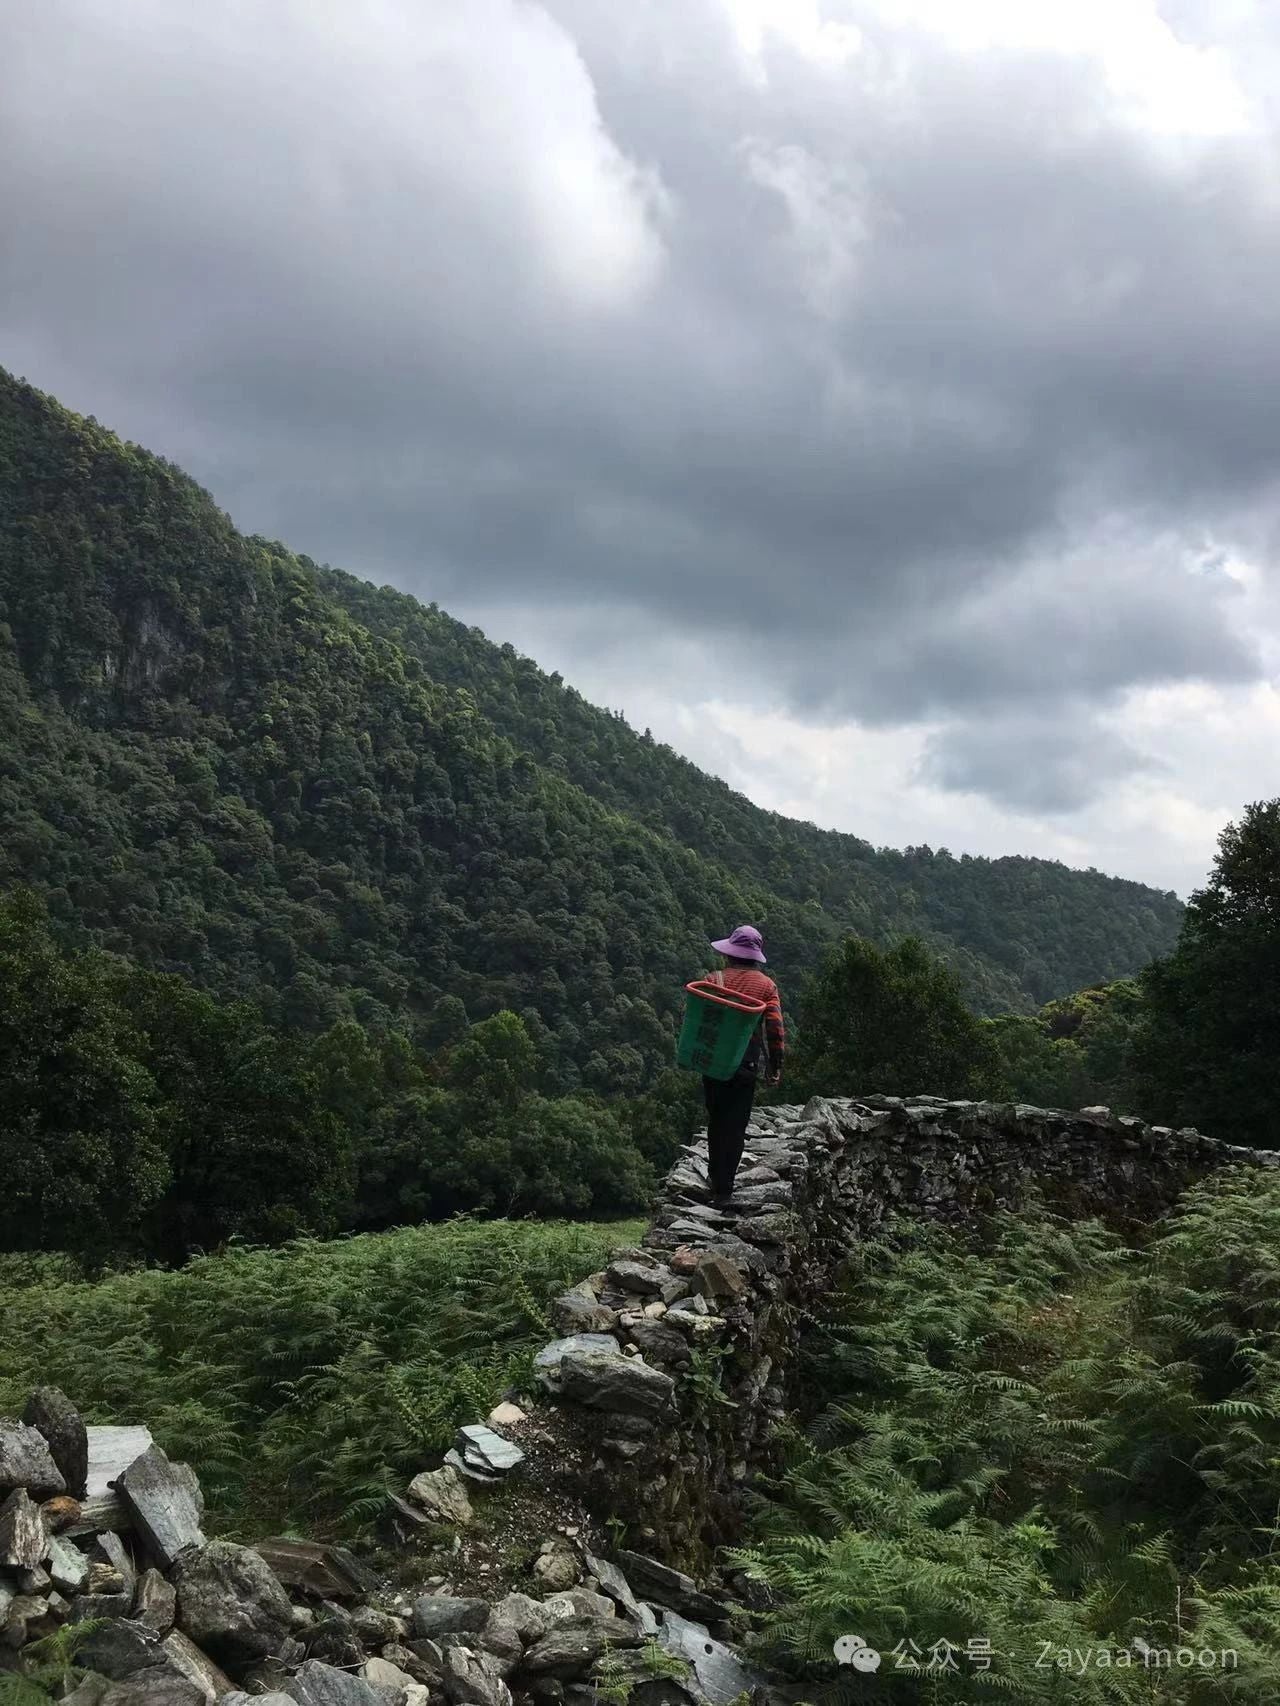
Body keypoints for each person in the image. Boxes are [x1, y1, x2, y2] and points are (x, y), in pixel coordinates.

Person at [701, 924, 785, 1207]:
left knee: (717, 1119)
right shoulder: (766, 986)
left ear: (729, 955)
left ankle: (715, 1180)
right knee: (736, 1125)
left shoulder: (714, 979)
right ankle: (725, 1187)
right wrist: (775, 1066)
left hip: (713, 1063)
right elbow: (774, 1030)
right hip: (745, 1063)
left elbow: (699, 1019)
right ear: (755, 956)